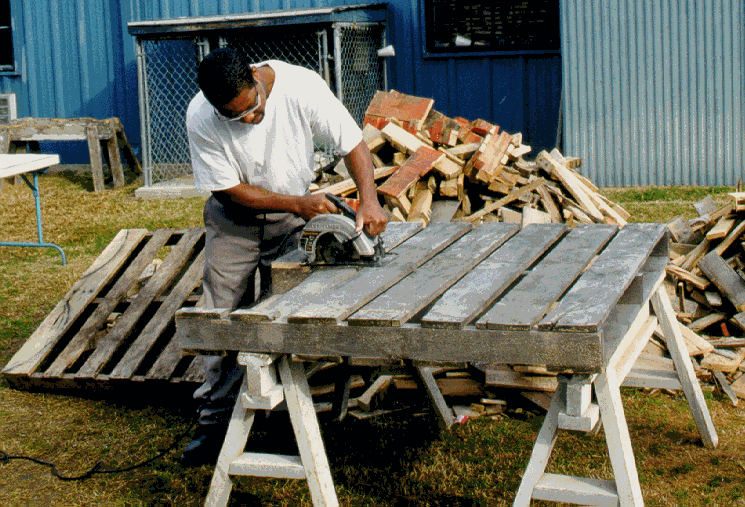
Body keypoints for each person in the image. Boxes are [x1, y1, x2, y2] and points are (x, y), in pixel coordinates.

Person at [179, 47, 388, 466]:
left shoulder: (301, 85)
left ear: (256, 77)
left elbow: (353, 143)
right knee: (221, 315)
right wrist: (300, 204)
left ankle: (288, 414)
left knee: (290, 311)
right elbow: (229, 191)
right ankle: (215, 420)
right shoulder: (201, 115)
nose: (248, 120)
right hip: (233, 221)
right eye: (234, 118)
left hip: (291, 223)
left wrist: (369, 200)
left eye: (252, 108)